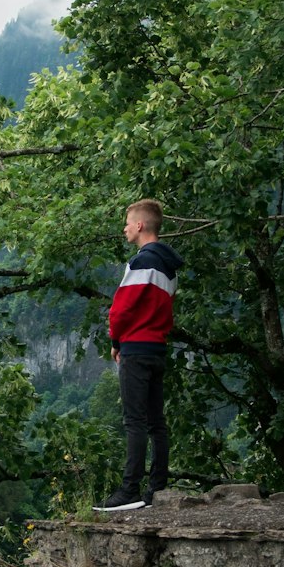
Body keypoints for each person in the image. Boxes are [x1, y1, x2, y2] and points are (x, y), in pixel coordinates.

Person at [95, 199, 183, 512]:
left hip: (135, 347)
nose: (125, 228)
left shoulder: (142, 261)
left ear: (141, 226)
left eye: (128, 222)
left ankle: (129, 489)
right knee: (156, 422)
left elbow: (122, 307)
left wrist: (116, 340)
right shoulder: (170, 269)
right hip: (157, 348)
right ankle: (157, 487)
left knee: (134, 421)